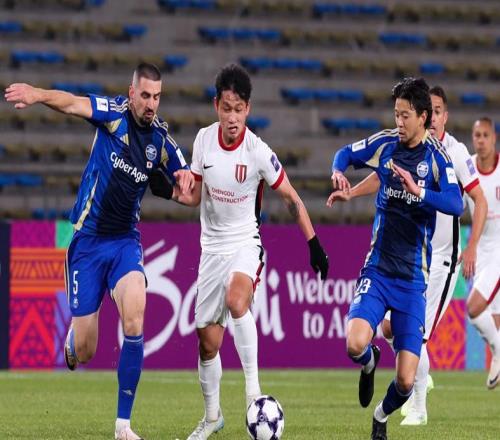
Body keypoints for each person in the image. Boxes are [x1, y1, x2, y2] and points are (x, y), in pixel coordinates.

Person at [4, 63, 194, 440]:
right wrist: (38, 95)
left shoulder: (161, 141)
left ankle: (123, 425)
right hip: (87, 244)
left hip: (124, 242)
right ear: (132, 92)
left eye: (157, 97)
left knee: (135, 316)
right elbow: (72, 103)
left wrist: (180, 184)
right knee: (87, 350)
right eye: (145, 95)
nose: (151, 104)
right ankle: (74, 341)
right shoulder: (113, 115)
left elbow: (190, 194)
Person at [160, 63, 329, 439]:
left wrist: (314, 243)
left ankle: (254, 394)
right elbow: (194, 196)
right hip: (211, 251)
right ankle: (212, 417)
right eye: (227, 108)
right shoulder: (203, 140)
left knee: (238, 300)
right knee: (208, 345)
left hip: (245, 244)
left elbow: (291, 198)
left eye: (239, 109)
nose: (233, 117)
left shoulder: (258, 152)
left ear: (248, 109)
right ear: (216, 106)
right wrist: (167, 190)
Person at [327, 85, 487, 426]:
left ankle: (387, 413)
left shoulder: (441, 156)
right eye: (396, 114)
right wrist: (339, 174)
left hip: (417, 276)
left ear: (423, 117)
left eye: (405, 115)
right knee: (356, 343)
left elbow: (456, 203)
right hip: (379, 268)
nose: (398, 121)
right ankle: (370, 362)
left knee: (404, 379)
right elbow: (347, 155)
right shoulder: (386, 144)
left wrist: (420, 190)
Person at [465, 117, 500, 390]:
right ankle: (498, 355)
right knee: (494, 322)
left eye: (486, 135)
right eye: (477, 135)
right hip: (481, 249)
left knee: (474, 307)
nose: (481, 140)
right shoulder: (467, 169)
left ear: (494, 138)